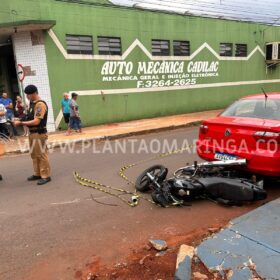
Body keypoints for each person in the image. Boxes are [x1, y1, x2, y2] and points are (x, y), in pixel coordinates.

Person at [13, 85, 51, 185]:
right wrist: (20, 119)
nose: (27, 97)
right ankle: (37, 173)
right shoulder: (32, 104)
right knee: (34, 155)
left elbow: (36, 121)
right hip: (32, 134)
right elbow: (28, 116)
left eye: (28, 95)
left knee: (42, 155)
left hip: (39, 133)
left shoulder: (40, 105)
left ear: (34, 93)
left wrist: (21, 123)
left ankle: (46, 176)